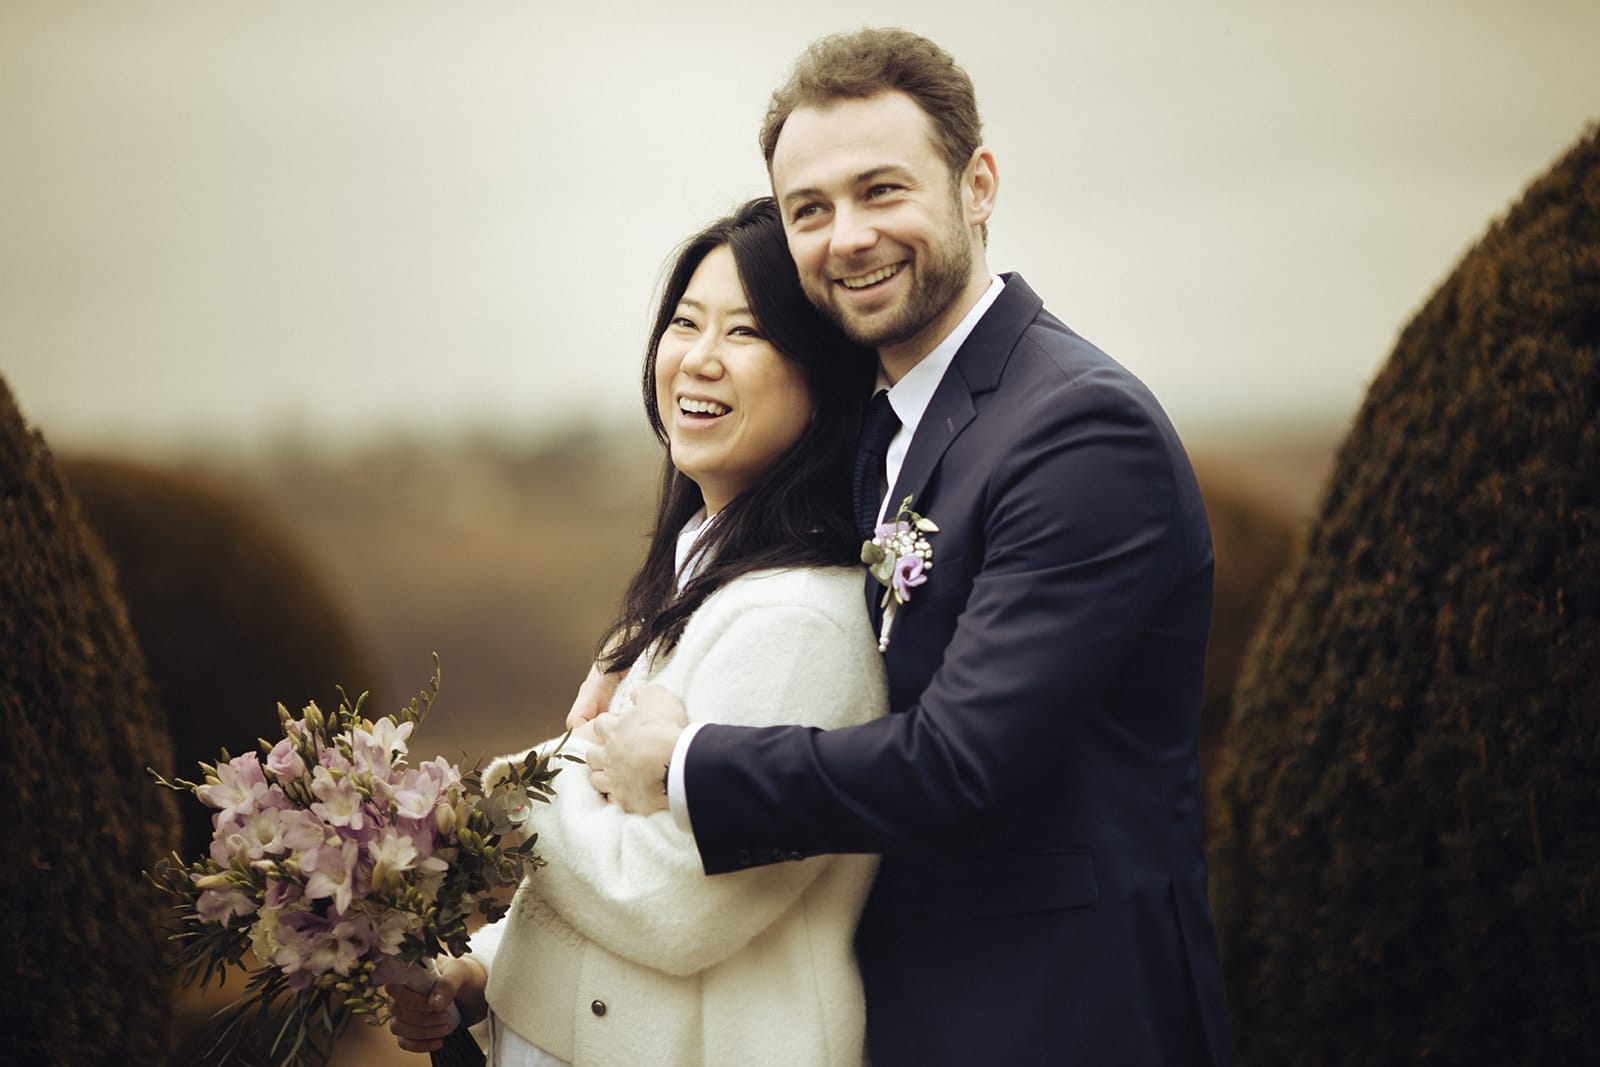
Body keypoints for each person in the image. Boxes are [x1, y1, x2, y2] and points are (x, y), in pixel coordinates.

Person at [583, 28, 1234, 1066]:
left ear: (977, 185)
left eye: (880, 190)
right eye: (810, 209)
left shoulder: (1075, 430)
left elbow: (959, 763)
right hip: (908, 1004)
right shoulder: (882, 426)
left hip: (1059, 1009)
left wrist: (687, 761)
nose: (846, 236)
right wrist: (645, 644)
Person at [386, 197, 888, 1065]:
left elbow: (670, 899)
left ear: (825, 376)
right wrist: (484, 969)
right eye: (685, 323)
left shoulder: (802, 621)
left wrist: (523, 784)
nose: (698, 358)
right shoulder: (697, 573)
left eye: (746, 333)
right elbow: (604, 872)